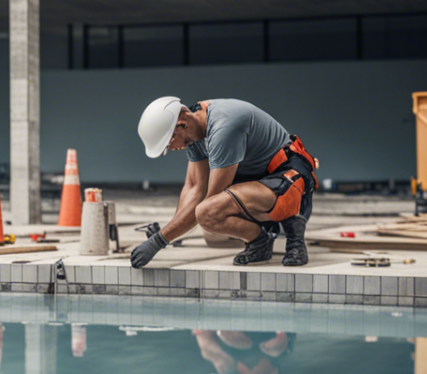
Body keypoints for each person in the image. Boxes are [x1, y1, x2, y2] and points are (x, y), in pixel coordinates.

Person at [132, 97, 318, 268]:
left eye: (168, 143)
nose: (172, 148)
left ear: (181, 125)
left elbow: (211, 199)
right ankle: (260, 242)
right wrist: (168, 230)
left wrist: (159, 241)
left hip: (289, 185)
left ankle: (295, 237)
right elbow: (194, 188)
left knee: (208, 212)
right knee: (208, 222)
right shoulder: (195, 132)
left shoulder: (224, 127)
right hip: (260, 183)